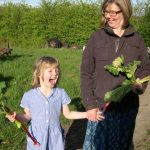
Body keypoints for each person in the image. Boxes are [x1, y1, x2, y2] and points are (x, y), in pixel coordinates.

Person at [80, 0, 150, 149]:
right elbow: (86, 73)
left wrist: (140, 84)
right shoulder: (96, 38)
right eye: (106, 12)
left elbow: (146, 67)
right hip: (100, 107)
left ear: (125, 11)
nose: (109, 16)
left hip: (127, 107)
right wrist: (90, 105)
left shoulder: (137, 39)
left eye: (113, 12)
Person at [6, 56, 101, 150]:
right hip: (36, 137)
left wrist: (87, 114)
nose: (55, 73)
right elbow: (27, 116)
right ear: (39, 74)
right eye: (50, 71)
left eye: (57, 71)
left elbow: (68, 114)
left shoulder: (60, 93)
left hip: (55, 136)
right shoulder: (29, 95)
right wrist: (16, 116)